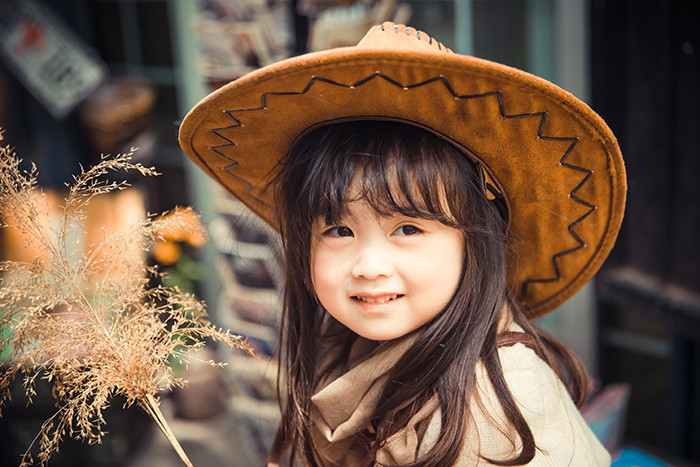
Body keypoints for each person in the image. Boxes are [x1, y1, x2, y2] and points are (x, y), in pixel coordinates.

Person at [179, 22, 626, 467]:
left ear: (478, 243)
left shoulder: (499, 414)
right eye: (338, 231)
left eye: (408, 229)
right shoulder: (350, 352)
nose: (368, 265)